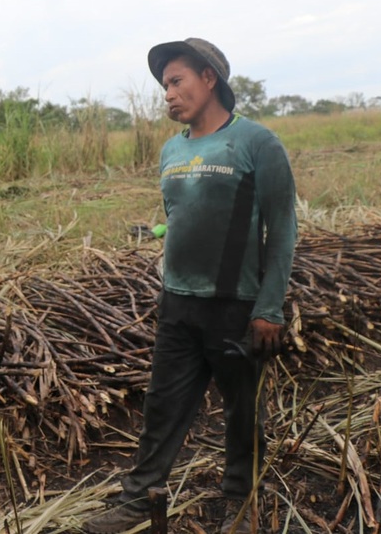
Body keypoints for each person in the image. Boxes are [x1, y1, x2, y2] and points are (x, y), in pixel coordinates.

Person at [82, 38, 298, 534]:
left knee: (242, 413)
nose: (167, 95)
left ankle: (240, 505)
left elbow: (283, 229)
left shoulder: (256, 143)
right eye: (163, 86)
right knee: (162, 405)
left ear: (209, 78)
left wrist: (270, 307)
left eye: (176, 81)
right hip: (178, 302)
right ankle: (138, 501)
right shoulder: (171, 151)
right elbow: (175, 220)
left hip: (237, 306)